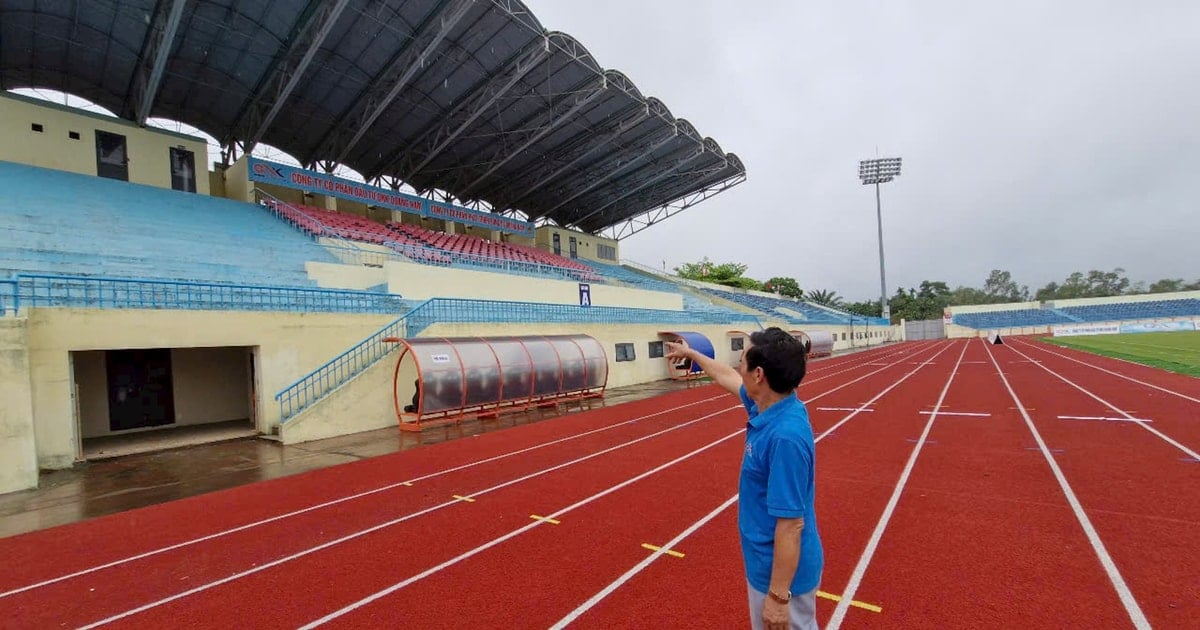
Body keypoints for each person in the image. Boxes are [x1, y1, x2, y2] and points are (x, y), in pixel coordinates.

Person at [666, 329, 822, 630]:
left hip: (781, 576)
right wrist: (693, 355)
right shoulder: (768, 403)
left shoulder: (785, 436)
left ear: (759, 374)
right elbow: (728, 377)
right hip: (767, 565)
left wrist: (778, 598)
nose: (738, 367)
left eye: (742, 361)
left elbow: (792, 524)